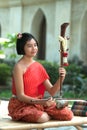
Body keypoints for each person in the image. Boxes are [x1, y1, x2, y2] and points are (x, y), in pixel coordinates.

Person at [8, 32, 73, 123]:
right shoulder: (18, 67)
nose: (34, 48)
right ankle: (44, 114)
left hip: (39, 104)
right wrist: (42, 102)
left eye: (35, 45)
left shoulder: (38, 66)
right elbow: (20, 96)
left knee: (67, 114)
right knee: (43, 118)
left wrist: (61, 78)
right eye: (29, 46)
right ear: (22, 47)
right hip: (21, 105)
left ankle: (44, 113)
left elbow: (52, 91)